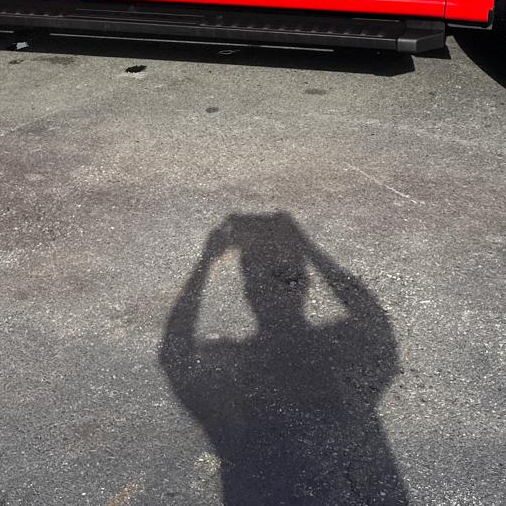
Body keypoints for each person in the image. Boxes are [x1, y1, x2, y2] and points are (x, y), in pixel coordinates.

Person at [160, 212, 408, 504]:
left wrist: (205, 263)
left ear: (248, 292)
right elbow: (374, 319)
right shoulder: (337, 354)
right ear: (305, 285)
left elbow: (175, 352)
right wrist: (308, 248)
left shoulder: (235, 368)